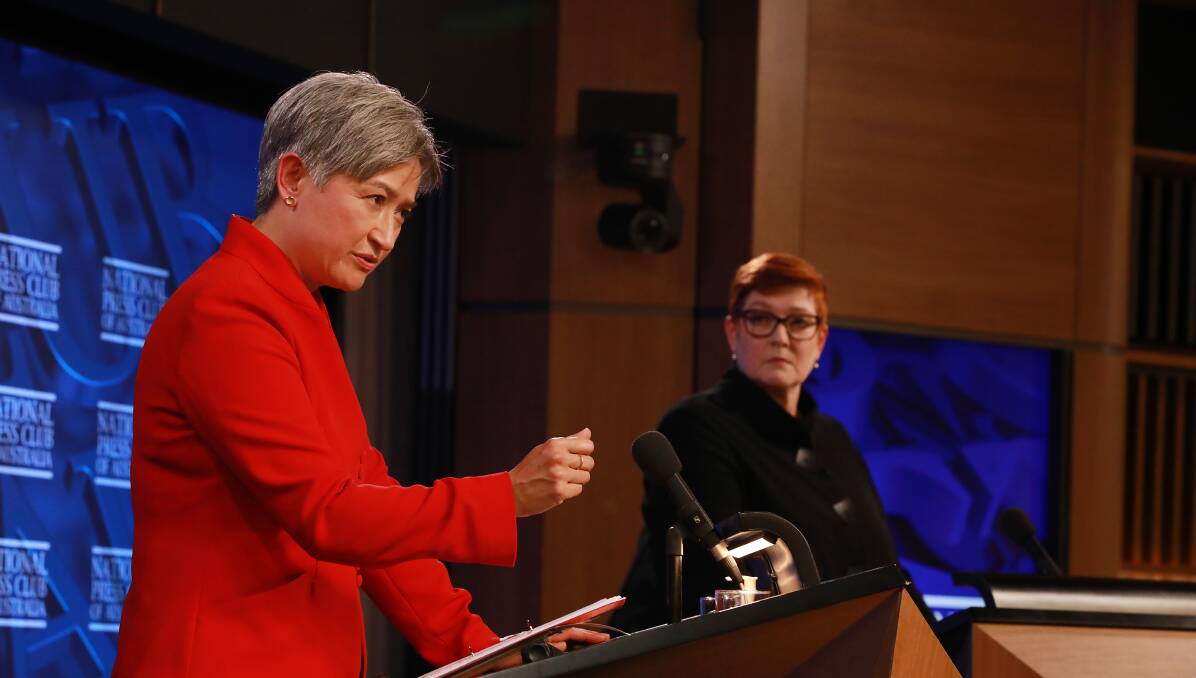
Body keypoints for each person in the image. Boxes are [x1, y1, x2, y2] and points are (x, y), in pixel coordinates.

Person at [114, 72, 605, 676]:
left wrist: (488, 652)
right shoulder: (228, 309)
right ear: (293, 178)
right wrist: (504, 496)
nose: (387, 236)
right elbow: (329, 513)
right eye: (375, 200)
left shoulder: (295, 308)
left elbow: (371, 513)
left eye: (402, 213)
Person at [613, 253, 899, 630]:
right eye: (762, 319)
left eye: (798, 322)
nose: (781, 337)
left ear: (821, 339)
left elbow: (883, 566)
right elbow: (721, 580)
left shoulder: (833, 437)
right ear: (734, 332)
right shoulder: (695, 425)